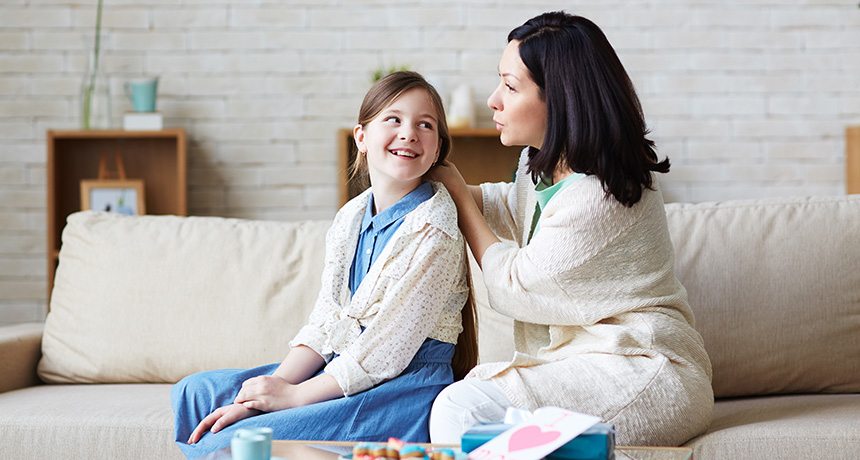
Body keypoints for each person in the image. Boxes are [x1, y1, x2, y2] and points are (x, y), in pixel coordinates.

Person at [428, 12, 713, 447]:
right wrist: (438, 186)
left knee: (461, 408)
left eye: (510, 85)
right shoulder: (539, 163)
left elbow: (514, 285)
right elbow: (517, 208)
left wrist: (461, 203)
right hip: (580, 363)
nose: (493, 100)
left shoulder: (603, 194)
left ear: (558, 99)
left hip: (644, 369)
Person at [172, 71, 477, 458]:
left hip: (398, 386)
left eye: (425, 124)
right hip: (341, 367)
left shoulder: (435, 228)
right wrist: (273, 385)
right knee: (194, 393)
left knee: (236, 442)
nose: (409, 133)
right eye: (394, 119)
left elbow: (385, 353)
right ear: (361, 138)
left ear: (437, 151)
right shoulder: (351, 217)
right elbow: (327, 321)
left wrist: (296, 396)